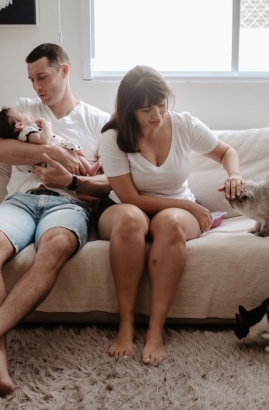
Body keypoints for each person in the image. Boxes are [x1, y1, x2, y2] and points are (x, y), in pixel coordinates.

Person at [0, 43, 111, 394]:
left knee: (57, 245)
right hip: (20, 201)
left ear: (64, 71)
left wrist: (72, 180)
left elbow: (111, 182)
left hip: (68, 205)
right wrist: (51, 149)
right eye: (32, 79)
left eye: (43, 77)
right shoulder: (23, 110)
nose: (37, 87)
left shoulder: (97, 120)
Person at [98, 65, 245, 365]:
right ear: (128, 110)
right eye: (145, 108)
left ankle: (155, 329)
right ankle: (125, 324)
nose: (156, 113)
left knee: (171, 223)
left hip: (176, 210)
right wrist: (190, 206)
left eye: (161, 103)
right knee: (130, 218)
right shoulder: (113, 136)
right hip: (126, 208)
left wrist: (235, 175)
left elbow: (226, 152)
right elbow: (129, 197)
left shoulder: (184, 124)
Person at [0, 106, 102, 176]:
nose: (24, 110)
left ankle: (85, 182)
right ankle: (89, 169)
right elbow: (44, 141)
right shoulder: (27, 132)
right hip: (57, 149)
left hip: (58, 151)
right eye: (20, 111)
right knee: (75, 155)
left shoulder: (27, 133)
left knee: (75, 159)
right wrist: (46, 126)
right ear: (19, 125)